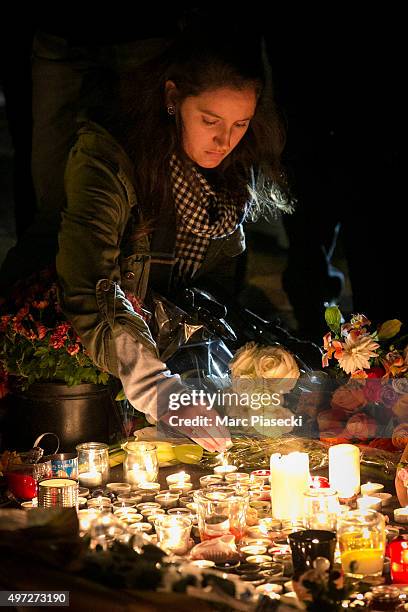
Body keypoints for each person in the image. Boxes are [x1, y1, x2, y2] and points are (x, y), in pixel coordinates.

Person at [55, 20, 291, 453]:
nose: (224, 141)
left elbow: (214, 295)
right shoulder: (107, 161)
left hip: (169, 354)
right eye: (209, 120)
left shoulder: (228, 176)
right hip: (85, 359)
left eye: (241, 124)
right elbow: (90, 287)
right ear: (171, 98)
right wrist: (164, 393)